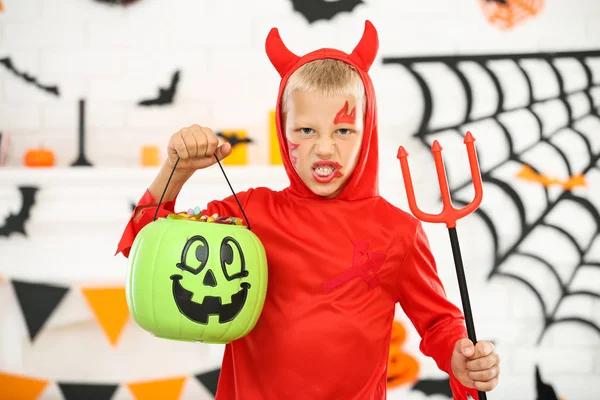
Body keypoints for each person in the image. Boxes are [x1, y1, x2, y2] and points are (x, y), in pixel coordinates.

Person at [116, 20, 500, 400]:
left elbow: (437, 323)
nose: (325, 148)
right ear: (283, 132)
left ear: (369, 131)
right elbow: (148, 250)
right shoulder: (248, 214)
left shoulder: (398, 230)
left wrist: (459, 355)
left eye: (343, 131)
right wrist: (175, 171)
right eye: (306, 131)